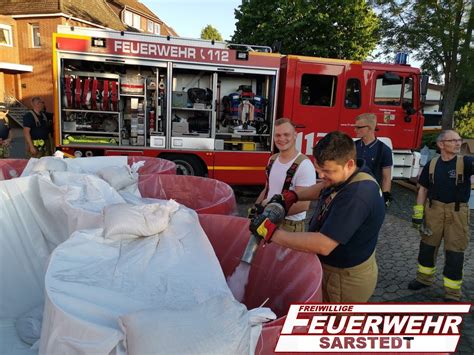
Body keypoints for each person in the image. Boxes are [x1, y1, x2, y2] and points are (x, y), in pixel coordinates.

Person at [250, 131, 385, 302]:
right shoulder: (350, 174)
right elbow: (324, 187)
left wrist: (271, 233)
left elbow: (323, 244)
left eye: (326, 171)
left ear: (349, 164)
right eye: (318, 170)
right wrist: (293, 196)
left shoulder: (357, 196)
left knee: (335, 326)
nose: (321, 176)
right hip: (335, 270)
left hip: (342, 279)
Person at [409, 130, 473, 301]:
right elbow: (423, 189)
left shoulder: (466, 162)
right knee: (427, 247)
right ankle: (424, 279)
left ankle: (452, 293)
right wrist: (418, 214)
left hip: (457, 213)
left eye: (459, 140)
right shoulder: (432, 164)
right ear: (441, 144)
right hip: (433, 211)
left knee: (454, 252)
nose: (458, 143)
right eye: (453, 140)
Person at [249, 118, 316, 232]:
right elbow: (267, 189)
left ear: (295, 135)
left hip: (289, 226)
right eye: (278, 135)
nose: (281, 139)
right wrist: (255, 209)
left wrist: (269, 211)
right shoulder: (272, 159)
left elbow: (303, 205)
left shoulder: (304, 165)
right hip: (268, 219)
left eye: (286, 134)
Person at [354, 113, 393, 207]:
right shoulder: (352, 146)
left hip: (371, 195)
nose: (355, 130)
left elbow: (386, 177)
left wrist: (385, 197)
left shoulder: (384, 149)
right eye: (355, 127)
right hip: (351, 193)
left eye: (359, 127)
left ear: (370, 128)